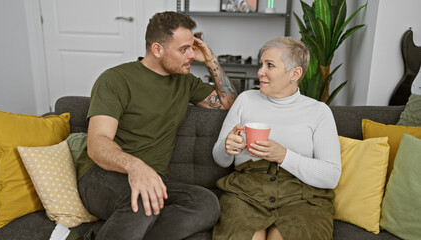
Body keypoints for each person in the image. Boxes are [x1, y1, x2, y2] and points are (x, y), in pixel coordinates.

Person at [73, 11, 237, 240]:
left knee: (206, 203)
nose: (191, 54)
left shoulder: (185, 82)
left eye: (193, 47)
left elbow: (229, 103)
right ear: (158, 49)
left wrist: (210, 59)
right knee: (143, 200)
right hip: (101, 175)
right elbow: (97, 143)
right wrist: (135, 167)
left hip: (155, 179)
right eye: (184, 49)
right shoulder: (115, 80)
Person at [211, 37, 341, 240]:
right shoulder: (245, 100)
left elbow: (331, 176)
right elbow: (220, 159)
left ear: (295, 74)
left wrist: (283, 156)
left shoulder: (318, 112)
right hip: (246, 191)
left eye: (269, 65)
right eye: (261, 64)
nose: (260, 72)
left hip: (301, 195)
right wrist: (227, 147)